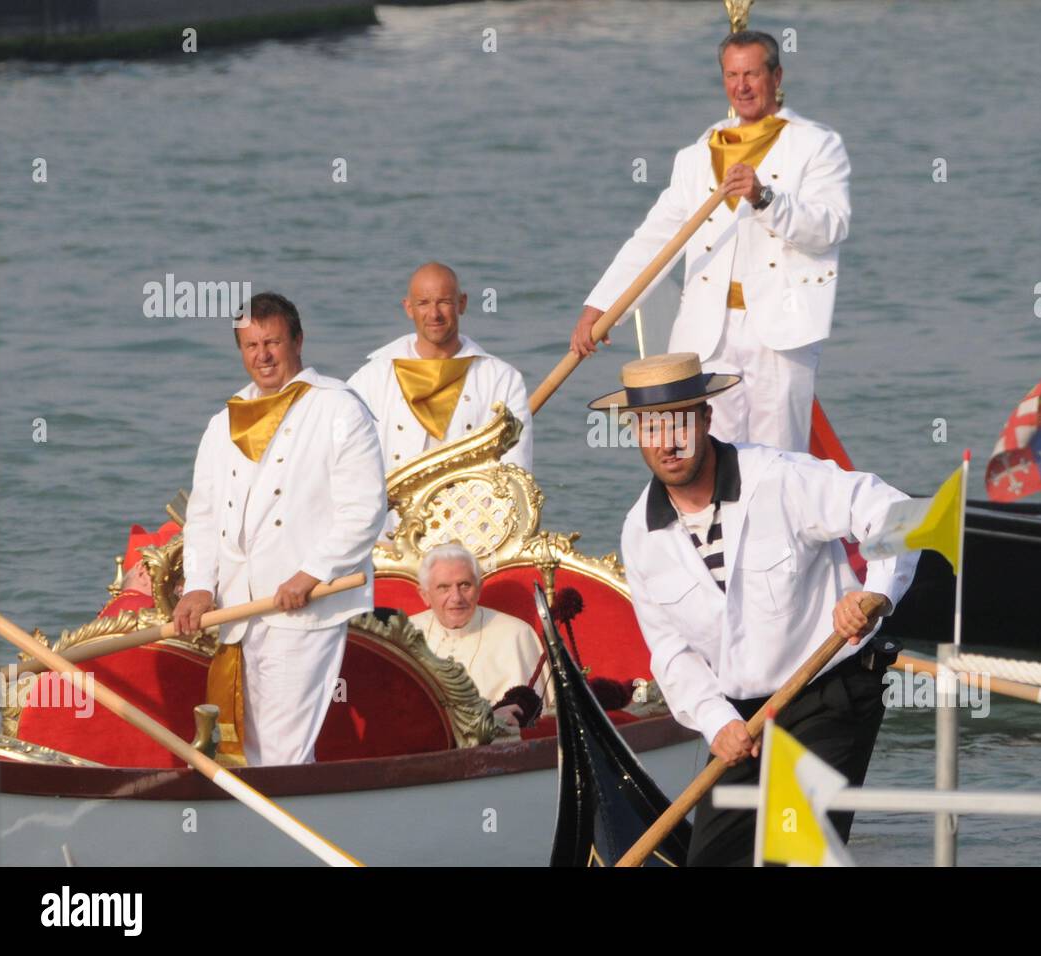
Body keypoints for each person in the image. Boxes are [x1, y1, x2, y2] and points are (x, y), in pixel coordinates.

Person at [593, 352, 919, 866]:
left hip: (828, 694)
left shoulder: (778, 477)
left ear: (705, 419)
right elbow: (671, 652)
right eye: (652, 425)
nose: (668, 440)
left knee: (791, 857)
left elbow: (894, 512)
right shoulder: (640, 535)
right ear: (636, 432)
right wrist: (716, 721)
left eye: (680, 421)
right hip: (743, 721)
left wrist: (875, 594)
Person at [571, 31, 850, 453]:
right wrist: (601, 307)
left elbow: (829, 228)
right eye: (732, 75)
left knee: (779, 462)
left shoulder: (816, 145)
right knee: (708, 455)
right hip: (706, 334)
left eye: (753, 74)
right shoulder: (698, 155)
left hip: (779, 334)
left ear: (776, 76)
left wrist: (764, 198)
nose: (742, 86)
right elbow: (654, 239)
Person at [174, 292, 386, 766]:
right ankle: (265, 827)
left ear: (298, 340)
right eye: (250, 345)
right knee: (245, 741)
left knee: (282, 746)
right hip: (236, 610)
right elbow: (204, 515)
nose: (262, 356)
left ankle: (282, 824)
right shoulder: (222, 422)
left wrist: (310, 573)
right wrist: (200, 586)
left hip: (302, 608)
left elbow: (365, 509)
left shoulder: (338, 408)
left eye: (272, 342)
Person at [349, 262, 533, 478]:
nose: (434, 314)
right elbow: (349, 462)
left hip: (471, 510)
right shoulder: (371, 379)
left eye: (444, 302)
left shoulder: (501, 379)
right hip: (389, 512)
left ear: (462, 304)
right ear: (409, 308)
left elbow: (514, 471)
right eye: (423, 303)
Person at [408, 543, 552, 732]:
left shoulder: (516, 635)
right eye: (443, 588)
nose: (456, 597)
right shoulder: (404, 634)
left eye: (465, 585)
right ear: (425, 595)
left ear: (479, 588)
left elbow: (534, 723)